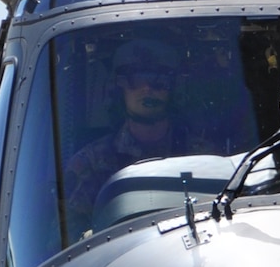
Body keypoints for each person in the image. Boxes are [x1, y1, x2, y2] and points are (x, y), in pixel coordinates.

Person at [63, 38, 194, 235]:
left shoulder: (200, 157)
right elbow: (68, 244)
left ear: (173, 88)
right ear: (118, 88)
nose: (147, 89)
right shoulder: (90, 165)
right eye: (135, 79)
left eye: (159, 81)